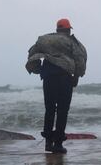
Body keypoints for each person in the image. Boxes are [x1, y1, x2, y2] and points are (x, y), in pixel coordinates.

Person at [26, 18, 87, 153]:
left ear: (57, 29)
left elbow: (31, 53)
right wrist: (76, 76)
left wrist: (38, 68)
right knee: (62, 111)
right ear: (68, 29)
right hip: (65, 79)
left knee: (50, 109)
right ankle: (58, 144)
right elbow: (79, 59)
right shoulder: (72, 42)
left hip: (48, 79)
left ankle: (48, 143)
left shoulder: (44, 40)